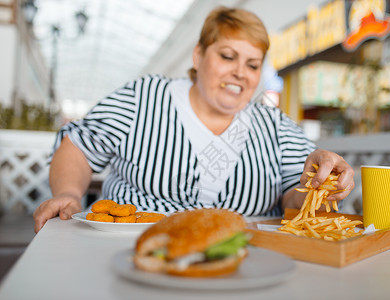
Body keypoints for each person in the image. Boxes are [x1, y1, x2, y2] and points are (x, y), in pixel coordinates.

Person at [33, 6, 354, 233]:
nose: (240, 73)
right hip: (129, 251)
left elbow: (294, 199)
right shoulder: (143, 97)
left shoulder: (275, 126)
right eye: (227, 56)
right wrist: (69, 194)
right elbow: (77, 145)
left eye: (253, 65)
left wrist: (320, 186)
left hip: (244, 259)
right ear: (199, 55)